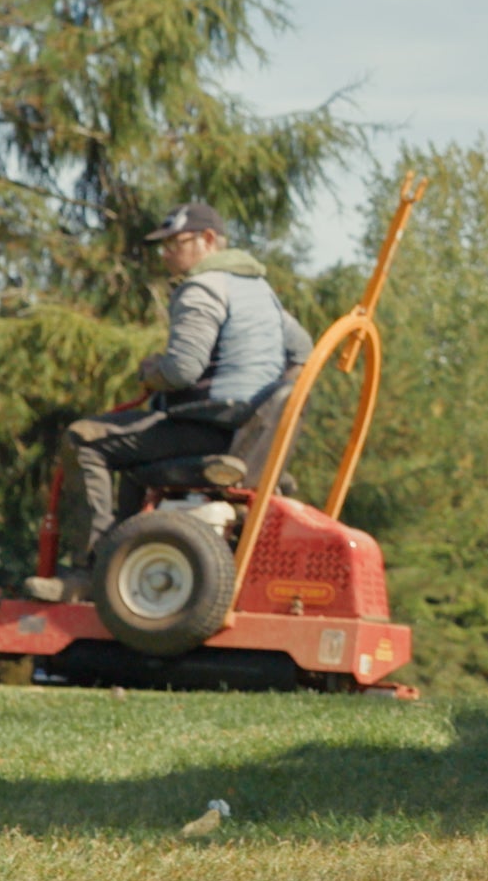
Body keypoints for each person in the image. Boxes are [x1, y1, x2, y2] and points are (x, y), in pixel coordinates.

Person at [22, 201, 312, 603]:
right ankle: (119, 558)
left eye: (175, 242)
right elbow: (302, 353)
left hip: (207, 427)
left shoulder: (203, 287)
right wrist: (265, 416)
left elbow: (182, 372)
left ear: (208, 240)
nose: (166, 253)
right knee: (130, 454)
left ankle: (88, 574)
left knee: (83, 438)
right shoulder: (260, 291)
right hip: (244, 436)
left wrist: (151, 371)